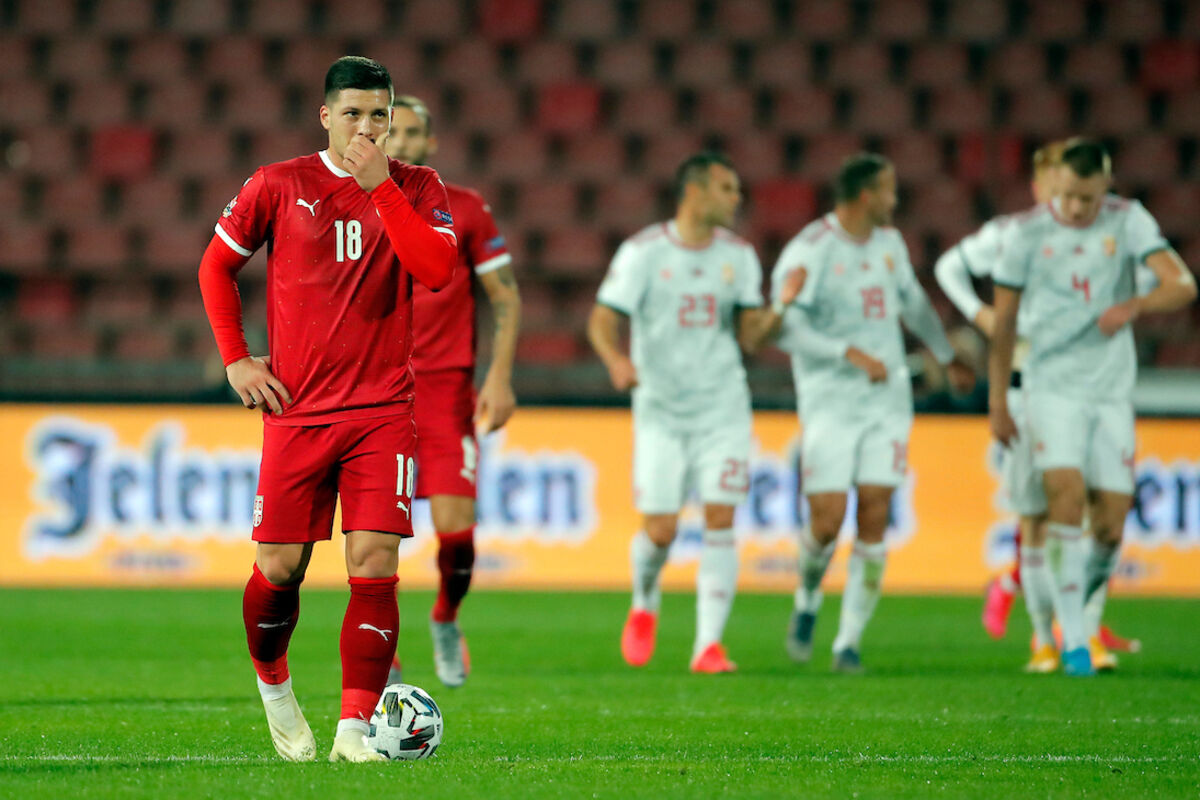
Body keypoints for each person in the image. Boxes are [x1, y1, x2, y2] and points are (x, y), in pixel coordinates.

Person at [198, 56, 457, 762]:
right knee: (280, 569)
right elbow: (216, 265)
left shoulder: (418, 186)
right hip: (299, 411)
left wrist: (381, 190)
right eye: (353, 114)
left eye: (380, 116)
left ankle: (353, 732)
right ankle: (275, 687)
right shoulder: (278, 183)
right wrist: (236, 358)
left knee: (374, 561)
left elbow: (436, 271)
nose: (367, 129)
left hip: (383, 411)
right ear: (325, 117)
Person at [989, 138, 1196, 676]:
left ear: (1106, 186)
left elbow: (1182, 285)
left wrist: (1134, 305)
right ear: (1054, 185)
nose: (1078, 208)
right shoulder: (1027, 234)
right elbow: (1004, 321)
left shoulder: (1128, 220)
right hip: (1050, 387)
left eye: (1088, 198)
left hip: (1109, 392)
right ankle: (1073, 642)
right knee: (1063, 497)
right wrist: (997, 399)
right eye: (1069, 196)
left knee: (1108, 527)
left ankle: (1071, 618)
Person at [936, 141, 1140, 672]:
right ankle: (1045, 635)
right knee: (1037, 515)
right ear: (1038, 186)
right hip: (1027, 381)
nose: (1065, 198)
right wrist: (980, 314)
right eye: (1054, 184)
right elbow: (947, 268)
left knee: (1095, 513)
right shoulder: (1012, 233)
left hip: (1083, 385)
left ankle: (1082, 629)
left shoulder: (1101, 233)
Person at [771, 153, 975, 673]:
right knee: (826, 521)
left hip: (887, 400)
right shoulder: (810, 251)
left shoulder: (889, 244)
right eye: (888, 190)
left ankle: (848, 643)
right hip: (830, 401)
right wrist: (847, 353)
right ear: (865, 195)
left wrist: (945, 354)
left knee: (875, 511)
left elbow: (914, 304)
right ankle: (807, 599)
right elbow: (784, 328)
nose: (895, 200)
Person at [587, 152, 786, 674]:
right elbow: (602, 319)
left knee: (721, 518)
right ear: (694, 192)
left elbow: (750, 337)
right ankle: (644, 601)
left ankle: (708, 646)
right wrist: (616, 360)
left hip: (723, 407)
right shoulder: (645, 253)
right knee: (660, 531)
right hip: (661, 411)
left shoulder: (739, 256)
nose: (736, 198)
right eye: (727, 188)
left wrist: (781, 309)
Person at [383, 95, 521, 688]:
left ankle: (445, 616)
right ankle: (383, 654)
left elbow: (506, 296)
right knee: (376, 537)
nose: (402, 141)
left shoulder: (463, 208)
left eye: (414, 132)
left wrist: (500, 377)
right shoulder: (354, 203)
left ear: (431, 143)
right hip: (378, 387)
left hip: (445, 390)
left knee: (458, 533)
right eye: (393, 130)